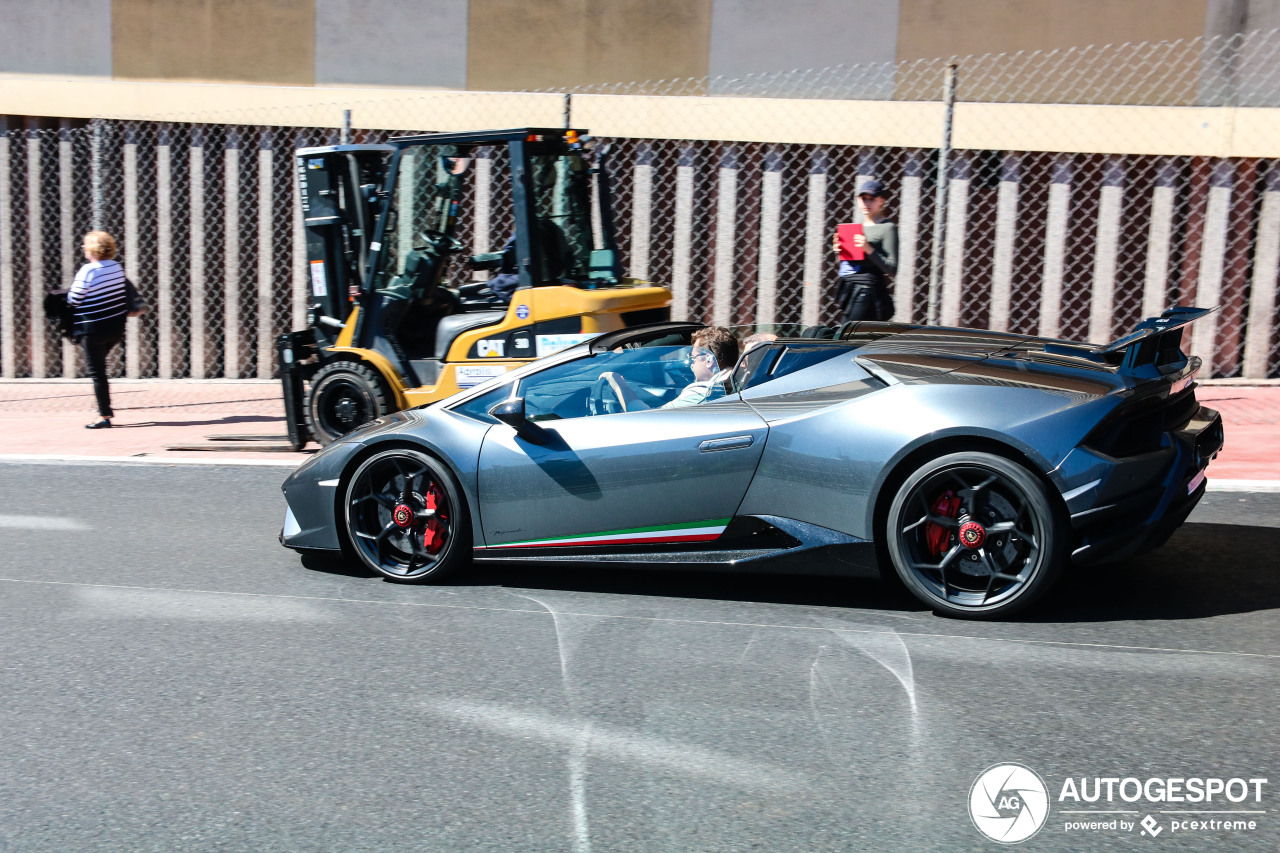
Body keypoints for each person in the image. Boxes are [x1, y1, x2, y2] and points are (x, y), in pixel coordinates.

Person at [598, 326, 740, 411]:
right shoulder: (733, 384)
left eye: (694, 358)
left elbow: (649, 421)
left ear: (708, 360)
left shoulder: (704, 393)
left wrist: (619, 385)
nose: (691, 364)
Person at [68, 231, 128, 429]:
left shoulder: (88, 271)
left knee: (98, 373)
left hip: (92, 329)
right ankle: (103, 406)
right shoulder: (117, 267)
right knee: (100, 369)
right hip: (115, 328)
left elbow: (74, 299)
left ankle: (103, 415)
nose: (83, 249)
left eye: (85, 245)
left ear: (93, 249)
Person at [831, 179, 898, 322]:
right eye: (863, 199)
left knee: (846, 335)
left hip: (868, 290)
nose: (867, 203)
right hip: (851, 289)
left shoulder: (887, 228)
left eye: (871, 199)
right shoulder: (857, 228)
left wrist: (868, 249)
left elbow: (892, 268)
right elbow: (846, 266)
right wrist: (839, 251)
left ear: (881, 201)